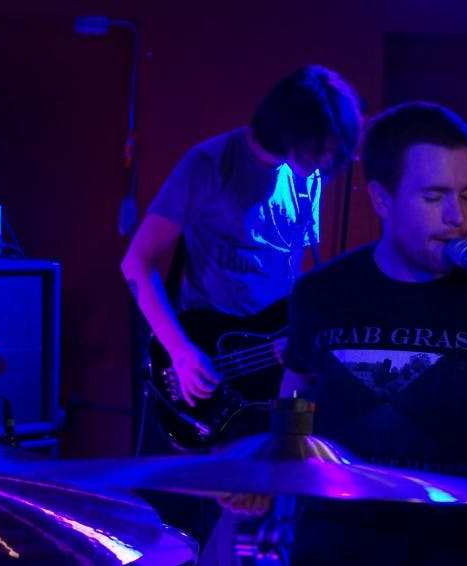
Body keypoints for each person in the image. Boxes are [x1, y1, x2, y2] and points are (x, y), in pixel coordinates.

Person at [274, 101, 467, 565]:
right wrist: (274, 470)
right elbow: (298, 394)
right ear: (382, 199)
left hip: (465, 549)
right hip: (334, 545)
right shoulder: (321, 292)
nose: (457, 216)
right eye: (434, 197)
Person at [120, 64, 361, 547]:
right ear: (295, 131)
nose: (327, 164)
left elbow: (297, 277)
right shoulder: (209, 164)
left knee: (262, 518)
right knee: (174, 527)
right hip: (206, 366)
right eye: (323, 149)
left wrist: (299, 339)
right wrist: (181, 352)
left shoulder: (306, 179)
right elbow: (137, 263)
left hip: (269, 371)